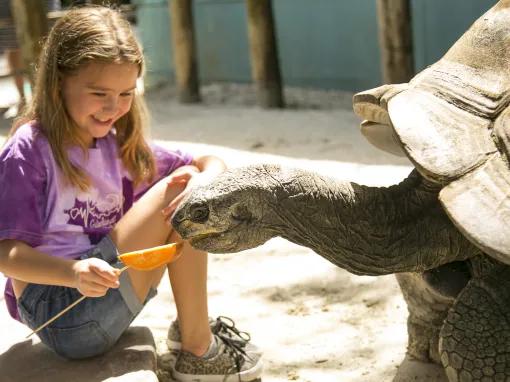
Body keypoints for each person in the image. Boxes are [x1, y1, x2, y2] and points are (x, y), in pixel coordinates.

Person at [0, 6, 262, 382]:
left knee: (192, 184)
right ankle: (200, 350)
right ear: (59, 81)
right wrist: (73, 272)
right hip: (60, 311)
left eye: (126, 93)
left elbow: (209, 161)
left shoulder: (117, 146)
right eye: (99, 93)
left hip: (104, 301)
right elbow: (6, 255)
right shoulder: (31, 148)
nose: (114, 108)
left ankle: (194, 340)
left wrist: (206, 181)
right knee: (184, 183)